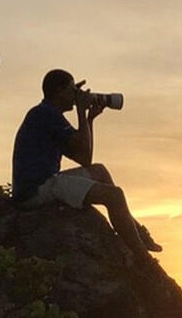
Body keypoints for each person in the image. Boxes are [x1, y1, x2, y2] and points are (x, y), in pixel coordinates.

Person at [12, 69, 162, 261]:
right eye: (72, 90)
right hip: (36, 190)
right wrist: (82, 112)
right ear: (58, 91)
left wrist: (89, 119)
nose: (75, 96)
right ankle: (143, 258)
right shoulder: (44, 114)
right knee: (115, 196)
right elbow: (82, 150)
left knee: (99, 170)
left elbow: (84, 158)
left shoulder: (49, 115)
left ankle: (135, 230)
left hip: (43, 184)